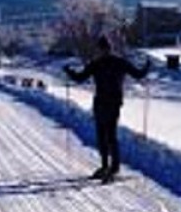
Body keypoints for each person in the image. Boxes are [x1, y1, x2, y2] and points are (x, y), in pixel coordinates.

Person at [63, 35, 151, 182]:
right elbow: (139, 74)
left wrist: (68, 71)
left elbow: (79, 78)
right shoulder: (119, 62)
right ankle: (112, 167)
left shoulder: (96, 63)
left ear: (100, 49)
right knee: (111, 135)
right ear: (110, 48)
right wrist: (147, 66)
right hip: (114, 103)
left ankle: (106, 167)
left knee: (103, 136)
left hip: (102, 103)